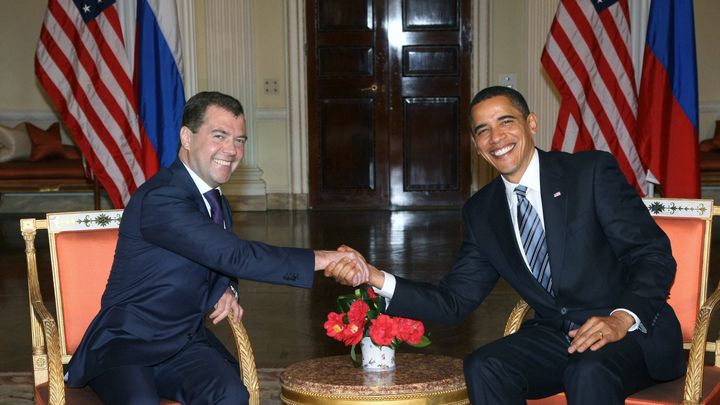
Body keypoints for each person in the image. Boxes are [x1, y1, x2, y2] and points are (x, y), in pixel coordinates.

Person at [328, 86, 685, 404]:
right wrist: (375, 276)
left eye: (506, 122)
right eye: (483, 131)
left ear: (531, 123)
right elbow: (454, 301)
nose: (496, 137)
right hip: (559, 338)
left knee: (587, 371)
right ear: (477, 147)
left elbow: (651, 255)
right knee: (485, 366)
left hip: (631, 334)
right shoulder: (483, 212)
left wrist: (620, 319)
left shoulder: (588, 173)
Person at [66, 91, 366, 405]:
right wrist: (325, 258)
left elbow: (215, 257)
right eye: (219, 136)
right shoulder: (162, 198)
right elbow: (234, 255)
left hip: (181, 342)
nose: (232, 150)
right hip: (125, 345)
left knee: (231, 395)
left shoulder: (216, 201)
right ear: (186, 136)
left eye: (240, 140)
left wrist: (226, 287)